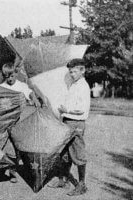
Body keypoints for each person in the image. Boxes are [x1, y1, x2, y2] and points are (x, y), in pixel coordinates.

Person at [0, 62, 42, 183]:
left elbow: (30, 92)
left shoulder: (21, 85)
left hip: (18, 121)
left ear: (15, 74)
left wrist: (34, 99)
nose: (10, 78)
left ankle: (29, 169)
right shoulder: (1, 86)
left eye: (12, 76)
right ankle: (12, 171)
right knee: (9, 147)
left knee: (20, 146)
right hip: (6, 121)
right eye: (7, 76)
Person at [54, 58, 90, 196]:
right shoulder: (74, 85)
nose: (72, 74)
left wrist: (66, 110)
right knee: (65, 153)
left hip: (76, 123)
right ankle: (64, 180)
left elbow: (81, 109)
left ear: (82, 70)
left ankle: (81, 184)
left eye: (74, 72)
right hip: (68, 121)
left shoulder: (83, 86)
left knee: (78, 153)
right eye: (70, 72)